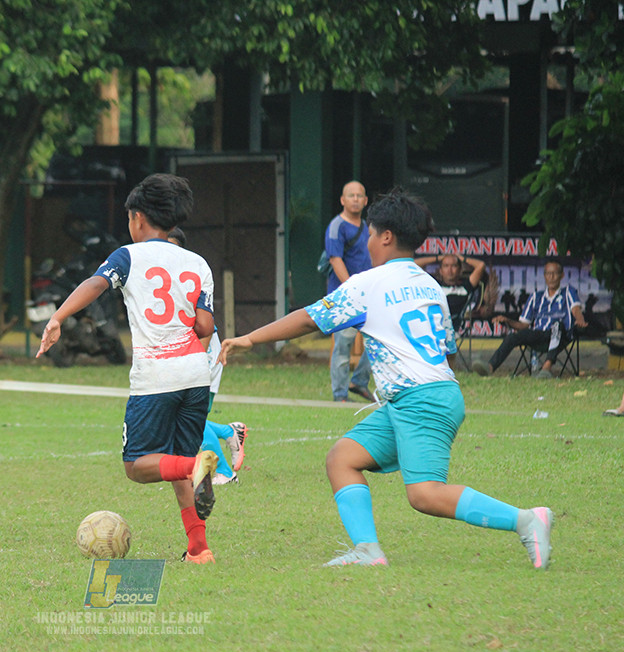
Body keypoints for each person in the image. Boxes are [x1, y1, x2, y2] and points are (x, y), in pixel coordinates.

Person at [220, 188, 553, 569]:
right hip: (421, 395)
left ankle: (527, 520)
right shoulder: (430, 286)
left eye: (370, 235)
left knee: (425, 495)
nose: (367, 243)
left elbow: (310, 318)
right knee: (342, 458)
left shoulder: (370, 282)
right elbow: (444, 348)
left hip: (420, 399)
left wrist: (249, 337)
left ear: (386, 237)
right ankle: (367, 550)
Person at [36, 173, 220, 564]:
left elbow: (97, 283)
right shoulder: (198, 262)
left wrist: (58, 317)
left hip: (156, 376)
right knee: (175, 464)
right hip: (196, 374)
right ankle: (199, 549)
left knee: (137, 467)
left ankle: (195, 465)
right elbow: (205, 327)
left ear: (137, 218)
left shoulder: (128, 255)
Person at [167, 227, 247, 485]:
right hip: (187, 354)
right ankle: (228, 432)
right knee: (188, 418)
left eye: (171, 247)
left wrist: (193, 361)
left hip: (202, 352)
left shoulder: (190, 277)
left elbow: (204, 323)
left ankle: (224, 472)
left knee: (189, 418)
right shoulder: (161, 277)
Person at [472, 259, 586, 379]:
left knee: (557, 325)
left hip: (561, 335)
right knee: (513, 336)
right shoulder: (536, 297)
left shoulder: (568, 292)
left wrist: (580, 320)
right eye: (548, 274)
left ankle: (546, 368)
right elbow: (524, 324)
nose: (551, 277)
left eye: (555, 273)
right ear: (544, 276)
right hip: (539, 334)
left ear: (561, 275)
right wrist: (507, 320)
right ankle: (489, 367)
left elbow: (576, 309)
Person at [324, 181, 373, 402]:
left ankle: (359, 382)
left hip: (368, 295)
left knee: (377, 340)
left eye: (359, 195)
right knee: (343, 345)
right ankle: (340, 394)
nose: (355, 199)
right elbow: (335, 259)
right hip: (344, 296)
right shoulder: (337, 226)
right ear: (343, 200)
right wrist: (351, 288)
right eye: (351, 195)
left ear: (365, 201)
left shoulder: (368, 228)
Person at [415, 252, 487, 329]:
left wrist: (461, 258)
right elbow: (413, 264)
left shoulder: (465, 287)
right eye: (446, 266)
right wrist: (438, 258)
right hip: (435, 330)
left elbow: (481, 265)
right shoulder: (434, 285)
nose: (450, 270)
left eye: (454, 266)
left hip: (457, 330)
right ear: (440, 271)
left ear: (460, 270)